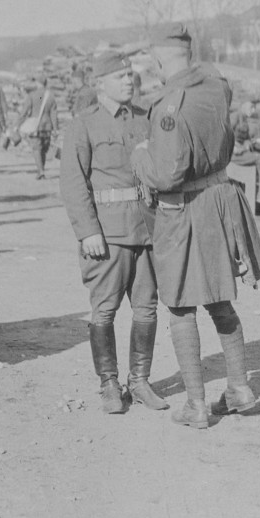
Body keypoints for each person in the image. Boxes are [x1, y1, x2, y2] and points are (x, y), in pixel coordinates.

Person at [131, 23, 260, 430]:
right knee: (220, 298)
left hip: (183, 209)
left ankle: (196, 404)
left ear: (159, 59)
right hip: (219, 202)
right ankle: (239, 388)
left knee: (180, 305)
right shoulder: (215, 87)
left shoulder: (169, 105)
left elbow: (166, 174)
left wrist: (140, 157)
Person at [60, 50, 167, 414]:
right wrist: (88, 231)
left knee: (147, 309)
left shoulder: (145, 118)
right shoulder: (83, 125)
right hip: (107, 234)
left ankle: (140, 382)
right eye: (119, 76)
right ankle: (109, 384)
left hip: (146, 229)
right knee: (104, 310)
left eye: (129, 75)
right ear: (99, 83)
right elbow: (73, 183)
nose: (127, 80)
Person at [20, 77, 61, 179]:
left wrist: (18, 124)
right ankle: (41, 170)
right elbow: (54, 113)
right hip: (47, 126)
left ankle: (41, 171)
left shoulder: (32, 95)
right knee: (44, 149)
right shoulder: (50, 96)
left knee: (36, 148)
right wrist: (55, 128)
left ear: (37, 83)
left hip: (35, 126)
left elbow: (24, 112)